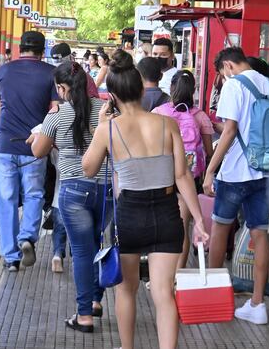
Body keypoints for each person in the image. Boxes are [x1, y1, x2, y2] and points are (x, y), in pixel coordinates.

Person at [82, 50, 209, 349]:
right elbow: (182, 177)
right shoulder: (168, 124)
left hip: (129, 214)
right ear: (141, 89)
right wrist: (200, 220)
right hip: (167, 213)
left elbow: (88, 168)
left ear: (112, 95)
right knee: (164, 295)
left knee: (127, 291)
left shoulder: (108, 128)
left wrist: (99, 126)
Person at [202, 46, 269, 325]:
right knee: (260, 235)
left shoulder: (234, 85)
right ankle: (258, 304)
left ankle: (213, 296)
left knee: (220, 230)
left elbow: (230, 131)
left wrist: (211, 169)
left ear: (228, 66)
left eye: (222, 73)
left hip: (235, 172)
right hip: (265, 172)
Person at [30, 61, 110, 333]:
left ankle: (84, 314)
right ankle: (96, 301)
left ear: (63, 88)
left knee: (81, 252)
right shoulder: (106, 109)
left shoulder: (57, 115)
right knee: (99, 244)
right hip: (105, 188)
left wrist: (42, 137)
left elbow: (38, 152)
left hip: (74, 189)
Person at [0, 31, 59, 272]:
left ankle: (10, 257)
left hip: (5, 144)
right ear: (43, 51)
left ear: (20, 48)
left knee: (6, 199)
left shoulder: (3, 71)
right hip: (34, 145)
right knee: (34, 194)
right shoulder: (50, 73)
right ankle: (27, 237)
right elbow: (55, 110)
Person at [153, 70, 214, 269]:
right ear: (194, 90)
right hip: (189, 178)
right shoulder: (201, 116)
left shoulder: (159, 113)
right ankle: (178, 275)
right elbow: (208, 151)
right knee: (182, 228)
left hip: (162, 177)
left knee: (161, 228)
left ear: (171, 88)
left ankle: (161, 275)